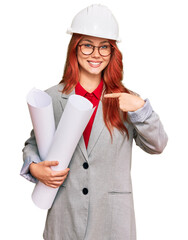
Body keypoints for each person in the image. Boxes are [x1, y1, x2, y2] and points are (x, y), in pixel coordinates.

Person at [20, 4, 168, 240]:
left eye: (104, 47)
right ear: (75, 48)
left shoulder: (127, 100)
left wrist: (141, 109)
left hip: (111, 219)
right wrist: (34, 168)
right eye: (88, 45)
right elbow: (33, 143)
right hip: (64, 215)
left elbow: (158, 145)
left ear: (112, 52)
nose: (96, 54)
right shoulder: (51, 98)